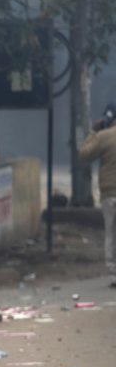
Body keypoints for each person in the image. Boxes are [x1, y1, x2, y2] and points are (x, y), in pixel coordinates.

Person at [78, 101, 116, 288]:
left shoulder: (103, 136)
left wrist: (93, 132)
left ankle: (114, 274)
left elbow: (84, 155)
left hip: (110, 193)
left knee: (111, 234)